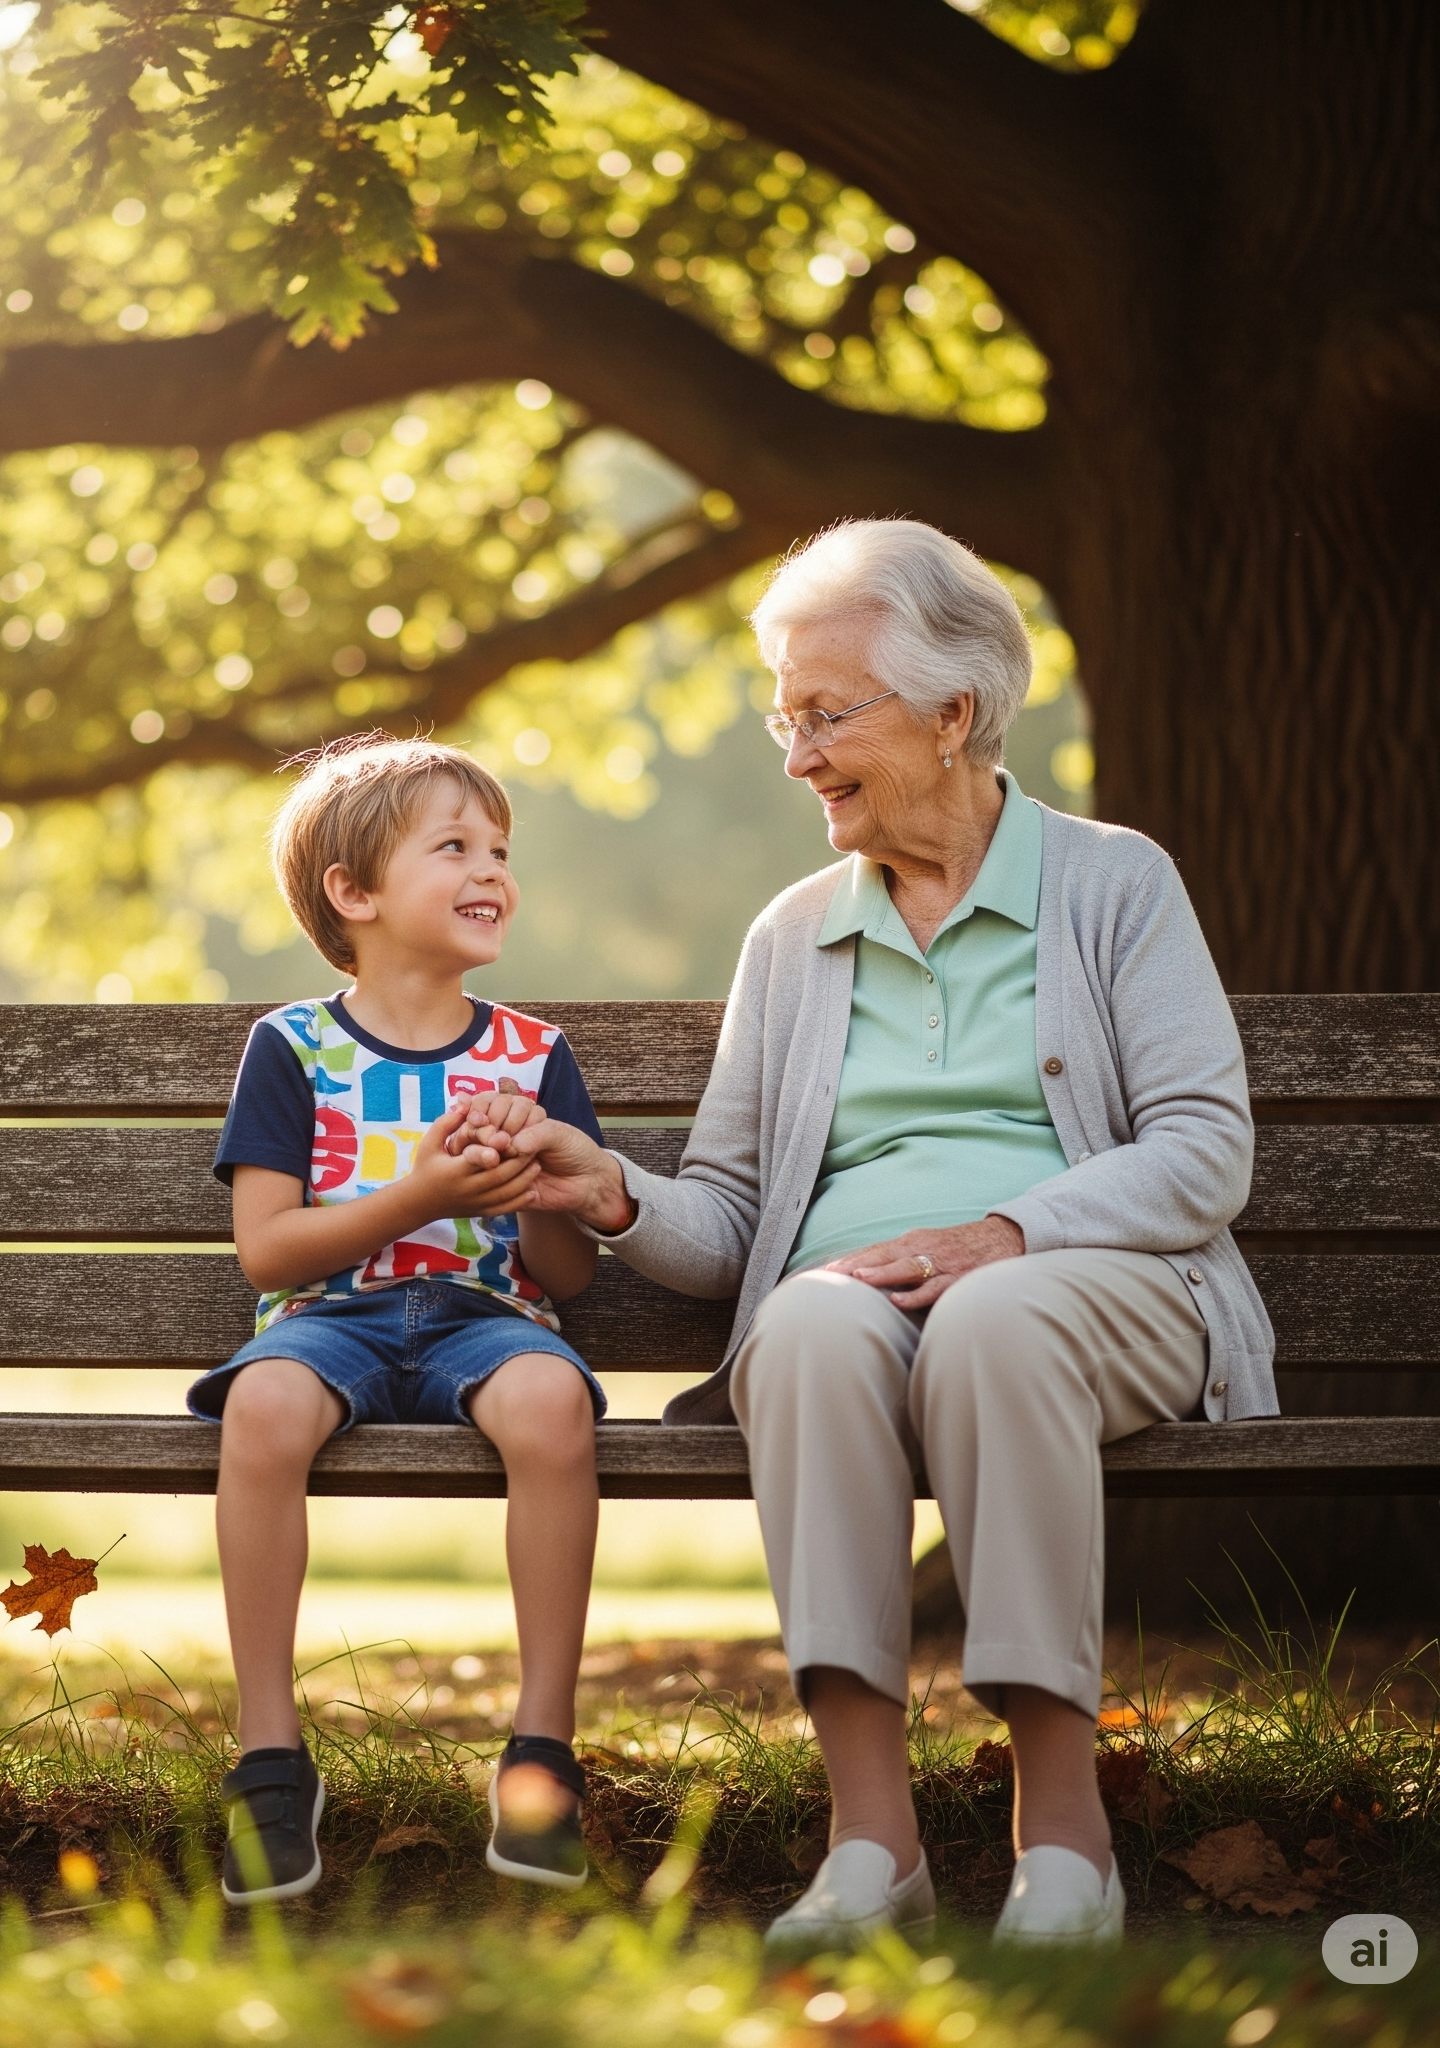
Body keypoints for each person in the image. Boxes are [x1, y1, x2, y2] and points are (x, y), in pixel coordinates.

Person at [476, 519, 1276, 1950]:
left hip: (1096, 1294)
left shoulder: (1113, 886)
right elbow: (733, 1221)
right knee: (808, 1320)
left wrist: (1006, 1230)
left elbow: (1204, 1153)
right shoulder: (792, 935)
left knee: (993, 1315)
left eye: (827, 715)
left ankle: (1066, 1841)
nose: (796, 757)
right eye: (785, 718)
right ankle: (870, 1845)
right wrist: (612, 1191)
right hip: (856, 1303)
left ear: (955, 711)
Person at [193, 735, 605, 1903]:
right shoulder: (292, 1048)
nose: (491, 869)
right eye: (455, 846)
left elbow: (565, 1279)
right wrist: (421, 1192)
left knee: (553, 1397)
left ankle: (540, 1753)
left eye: (499, 849)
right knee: (262, 1404)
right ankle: (270, 1756)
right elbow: (266, 1251)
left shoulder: (534, 1055)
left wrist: (537, 1186)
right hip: (333, 1316)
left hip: (488, 1314)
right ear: (355, 892)